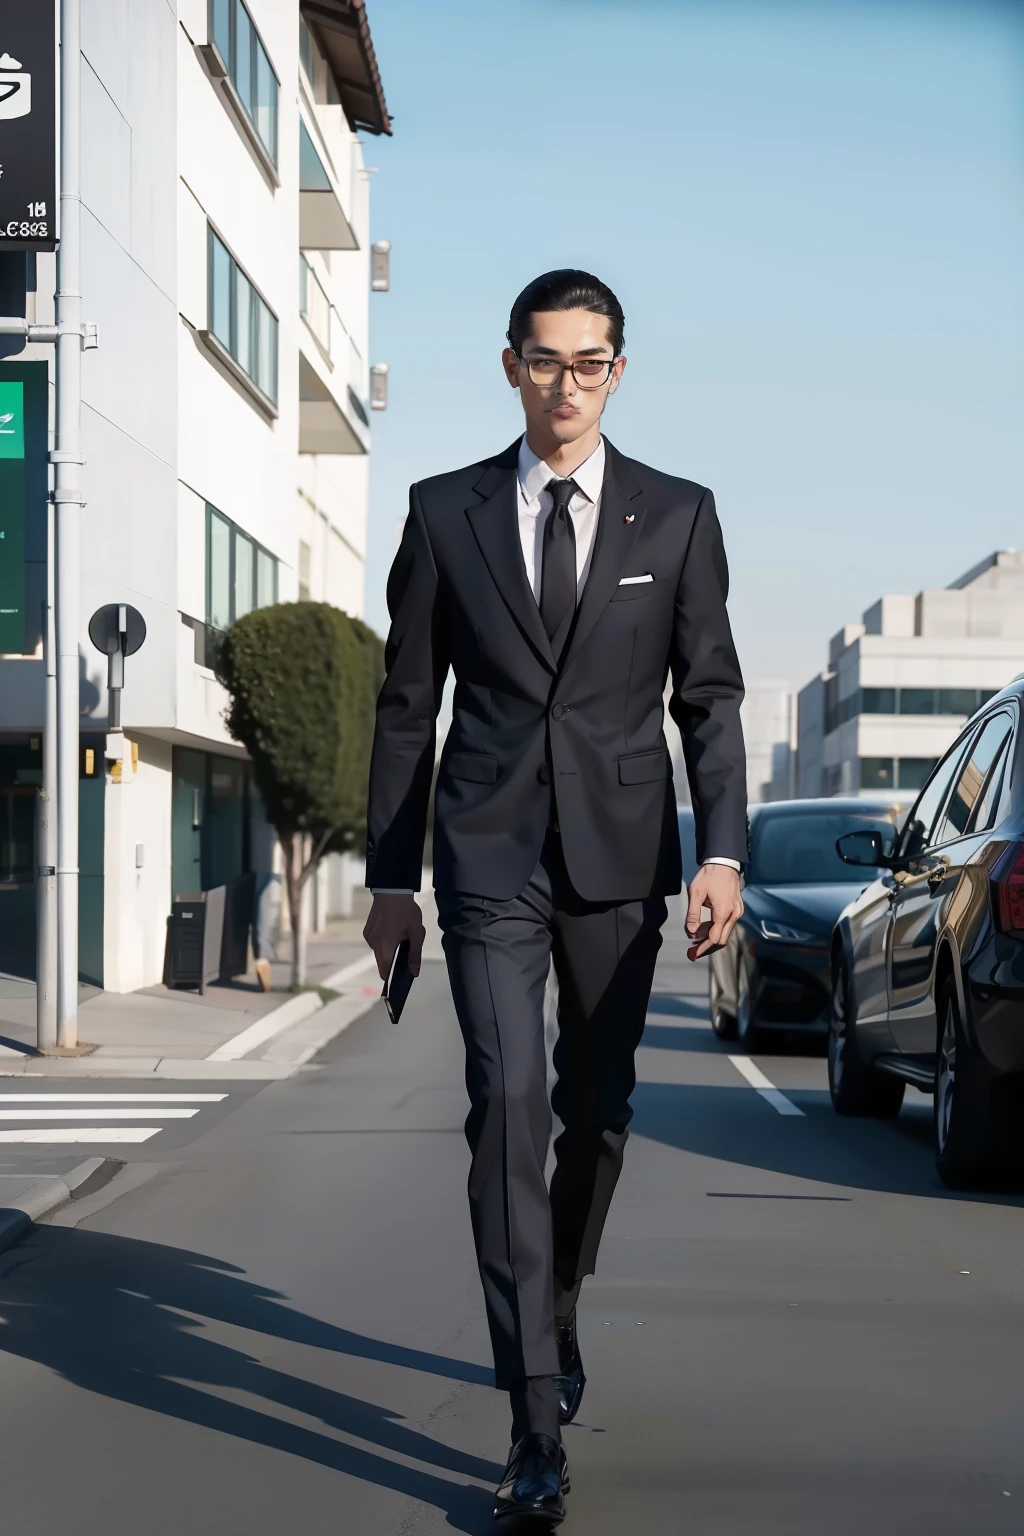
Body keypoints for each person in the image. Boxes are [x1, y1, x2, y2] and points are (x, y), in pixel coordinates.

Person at [363, 270, 747, 1525]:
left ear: (617, 372)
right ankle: (532, 1419)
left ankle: (559, 1293)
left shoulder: (676, 517)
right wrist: (388, 877)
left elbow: (709, 698)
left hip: (621, 864)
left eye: (589, 363)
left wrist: (722, 853)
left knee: (598, 1109)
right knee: (508, 1107)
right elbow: (408, 705)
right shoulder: (444, 512)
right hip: (483, 860)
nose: (565, 383)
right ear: (511, 365)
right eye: (545, 360)